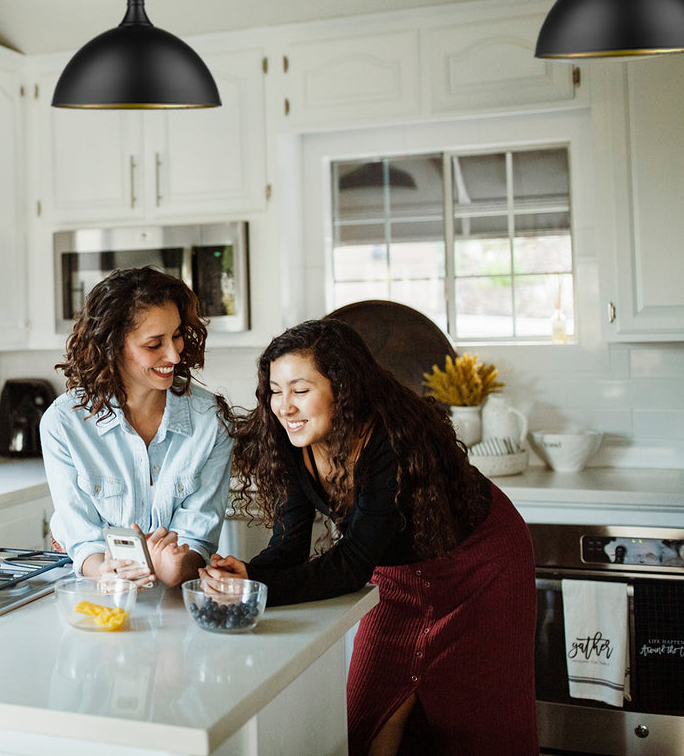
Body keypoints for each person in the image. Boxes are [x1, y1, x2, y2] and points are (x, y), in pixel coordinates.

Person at [202, 318, 537, 756]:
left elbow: (355, 561)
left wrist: (255, 588)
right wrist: (245, 574)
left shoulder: (390, 441)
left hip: (482, 567)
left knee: (483, 731)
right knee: (365, 721)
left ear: (343, 387)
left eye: (300, 390)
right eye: (274, 391)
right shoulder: (288, 440)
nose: (283, 406)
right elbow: (290, 544)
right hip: (397, 576)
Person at [41, 266, 233, 588]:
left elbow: (198, 536)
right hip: (89, 582)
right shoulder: (64, 423)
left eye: (176, 336)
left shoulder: (210, 421)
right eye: (154, 344)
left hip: (176, 586)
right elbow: (83, 538)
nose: (173, 354)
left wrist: (173, 569)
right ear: (112, 347)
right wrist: (107, 570)